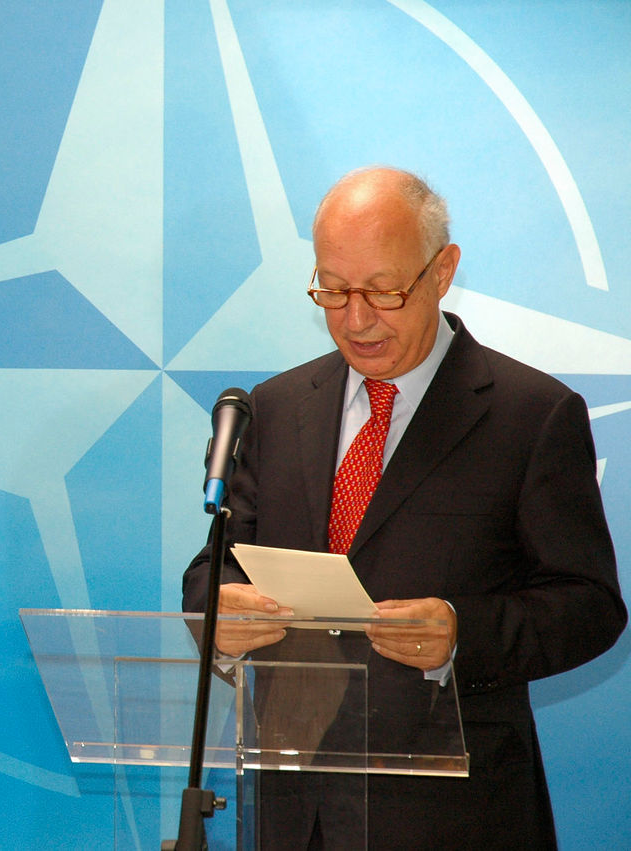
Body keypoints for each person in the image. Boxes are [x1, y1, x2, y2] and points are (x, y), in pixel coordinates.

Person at [183, 167, 625, 849]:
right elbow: (215, 567)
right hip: (293, 813)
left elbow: (590, 604)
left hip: (453, 817)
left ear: (442, 271)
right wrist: (219, 611)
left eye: (384, 291)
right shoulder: (274, 407)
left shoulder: (531, 415)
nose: (356, 318)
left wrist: (460, 632)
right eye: (332, 289)